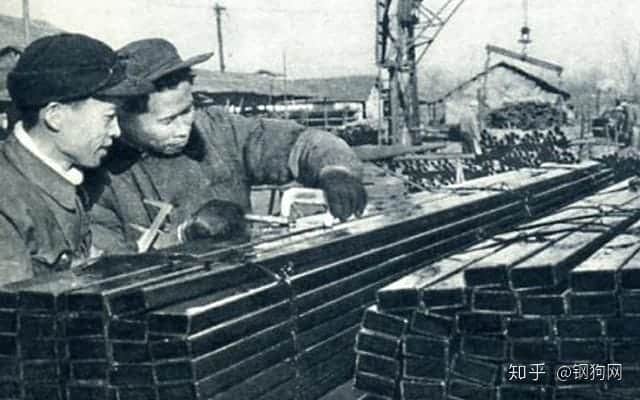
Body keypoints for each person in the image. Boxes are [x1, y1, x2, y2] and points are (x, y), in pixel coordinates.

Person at [86, 38, 367, 254]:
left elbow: (300, 142)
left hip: (245, 280)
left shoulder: (217, 129)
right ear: (123, 115)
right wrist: (184, 236)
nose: (184, 128)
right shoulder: (98, 174)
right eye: (168, 120)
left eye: (187, 110)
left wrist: (335, 170)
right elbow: (105, 269)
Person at [0, 33, 148, 284]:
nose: (116, 131)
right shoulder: (7, 201)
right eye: (108, 117)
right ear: (55, 116)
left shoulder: (61, 175)